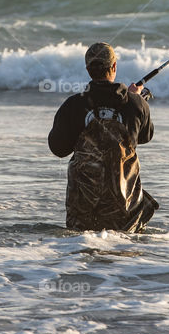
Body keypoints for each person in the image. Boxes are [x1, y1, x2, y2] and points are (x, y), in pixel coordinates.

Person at [48, 42, 158, 232]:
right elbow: (145, 136)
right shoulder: (136, 104)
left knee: (82, 245)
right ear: (114, 66)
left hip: (82, 210)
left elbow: (58, 149)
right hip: (124, 211)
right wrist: (136, 100)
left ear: (88, 69)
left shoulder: (73, 105)